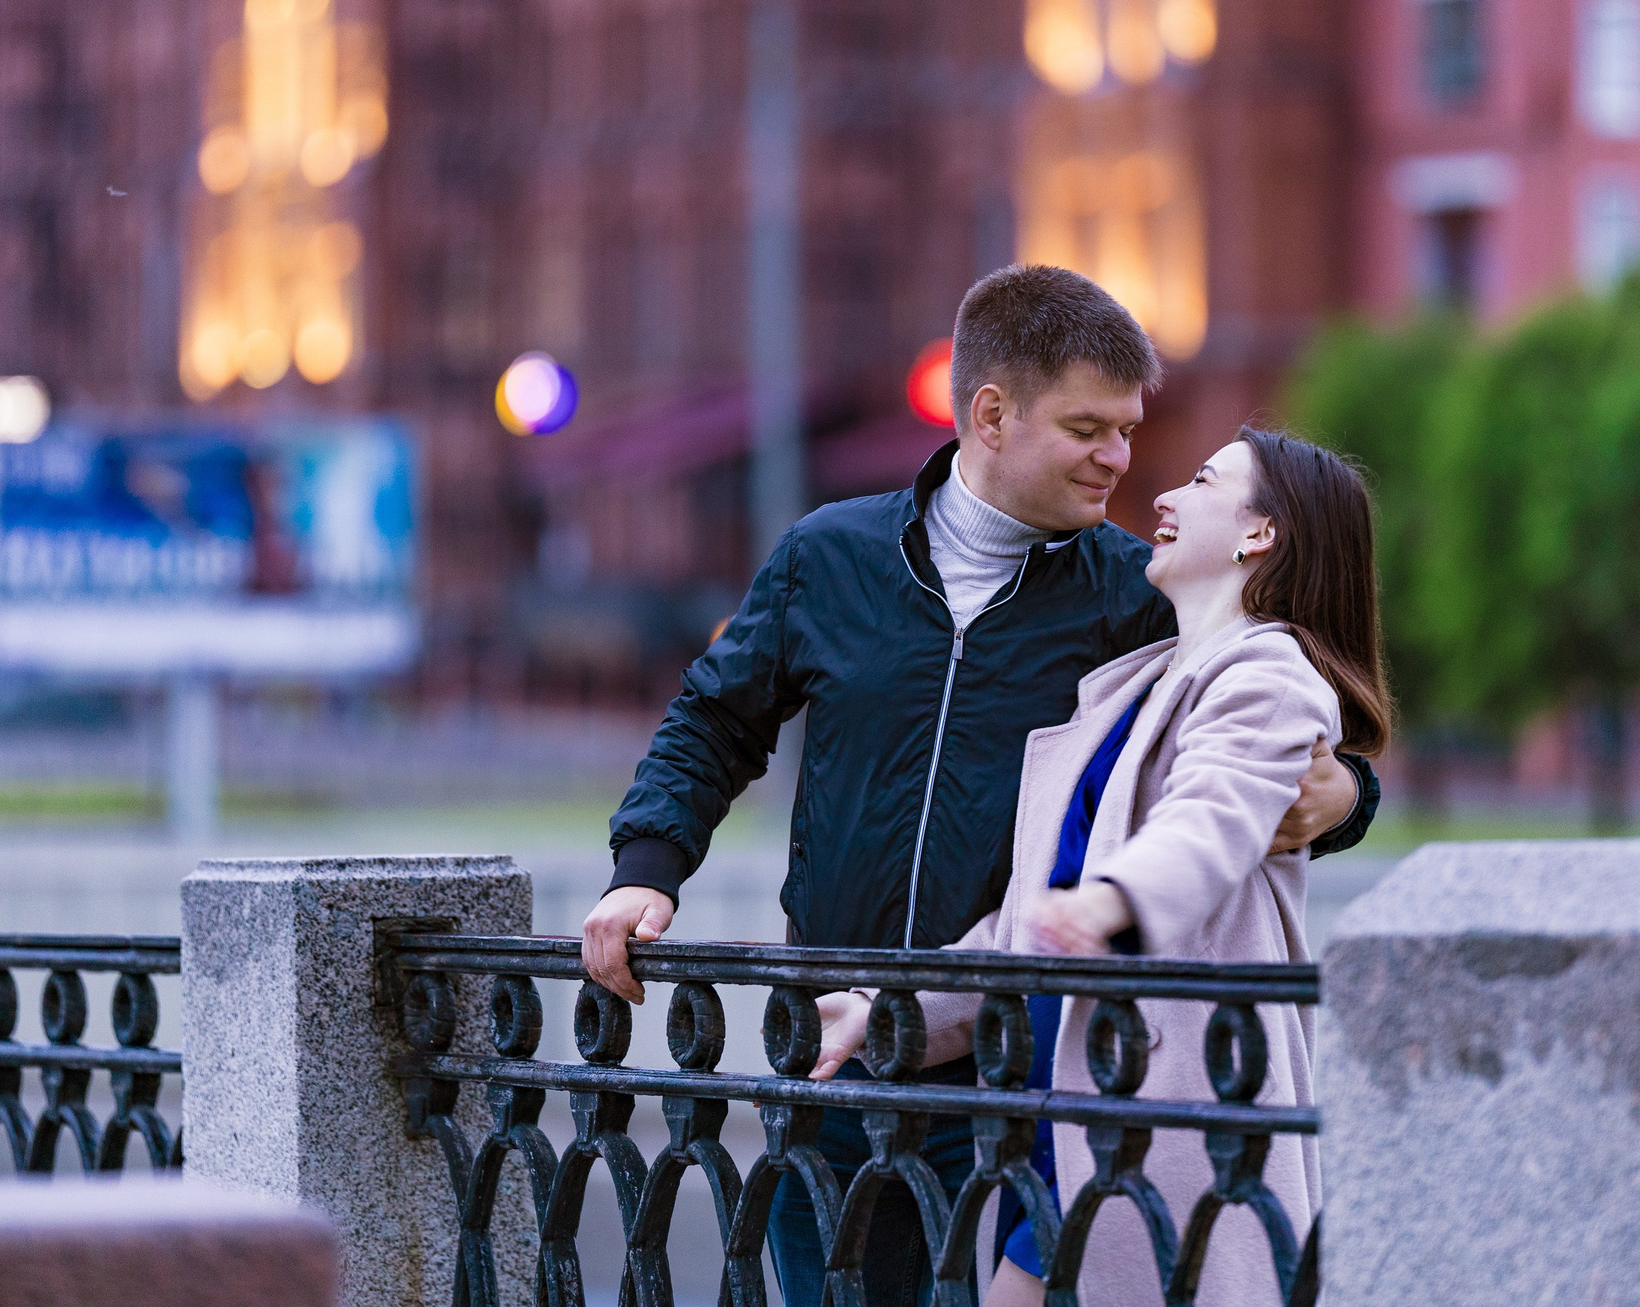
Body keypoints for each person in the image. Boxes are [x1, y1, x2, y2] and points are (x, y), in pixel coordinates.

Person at [582, 266, 1382, 1307]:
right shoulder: (828, 557)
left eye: (1128, 430)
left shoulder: (1130, 600)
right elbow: (713, 719)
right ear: (992, 414)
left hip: (1009, 1083)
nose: (1121, 459)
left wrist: (1347, 802)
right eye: (1089, 428)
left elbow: (1251, 741)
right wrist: (646, 868)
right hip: (831, 1057)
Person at [811, 428, 1389, 1304]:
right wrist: (887, 1013)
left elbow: (1214, 817)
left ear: (1258, 533)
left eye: (1202, 481)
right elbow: (1022, 926)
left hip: (1168, 1130)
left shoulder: (1268, 673)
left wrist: (1116, 899)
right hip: (1069, 1136)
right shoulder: (1129, 689)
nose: (1164, 494)